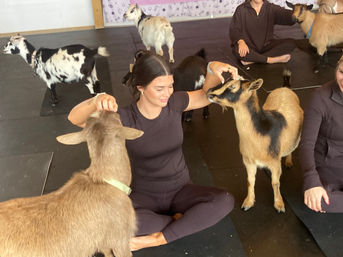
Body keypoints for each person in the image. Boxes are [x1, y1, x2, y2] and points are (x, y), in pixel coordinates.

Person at [68, 50, 238, 250]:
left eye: (170, 86)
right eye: (159, 88)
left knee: (225, 201)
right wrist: (96, 100)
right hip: (143, 198)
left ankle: (155, 238)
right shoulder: (123, 118)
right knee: (106, 221)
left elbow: (205, 96)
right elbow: (75, 119)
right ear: (141, 87)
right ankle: (182, 223)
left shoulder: (174, 104)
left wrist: (211, 70)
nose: (167, 93)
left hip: (181, 190)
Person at [299, 55, 343, 213]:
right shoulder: (320, 96)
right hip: (328, 165)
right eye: (341, 71)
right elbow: (306, 144)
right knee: (320, 201)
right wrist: (312, 181)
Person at [229, 0, 296, 65]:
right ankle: (270, 60)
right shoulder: (241, 9)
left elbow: (287, 16)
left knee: (291, 43)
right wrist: (241, 41)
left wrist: (297, 14)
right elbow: (234, 29)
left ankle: (253, 60)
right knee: (236, 50)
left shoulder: (271, 8)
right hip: (249, 48)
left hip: (266, 46)